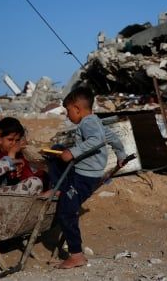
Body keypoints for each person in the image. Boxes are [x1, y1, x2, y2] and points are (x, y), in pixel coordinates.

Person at [46, 86, 127, 269]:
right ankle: (58, 187)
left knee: (66, 212)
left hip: (84, 177)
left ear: (77, 108)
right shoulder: (95, 121)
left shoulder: (88, 123)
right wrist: (121, 155)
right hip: (83, 173)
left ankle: (76, 255)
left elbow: (96, 141)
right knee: (57, 150)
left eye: (68, 111)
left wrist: (73, 152)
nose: (67, 116)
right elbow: (112, 137)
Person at [0, 117, 47, 189]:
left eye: (17, 140)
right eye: (10, 139)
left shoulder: (19, 154)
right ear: (0, 139)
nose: (14, 143)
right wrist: (12, 153)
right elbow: (10, 178)